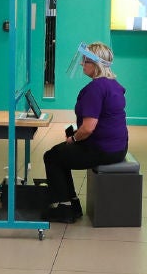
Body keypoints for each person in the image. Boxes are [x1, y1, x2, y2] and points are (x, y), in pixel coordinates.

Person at [43, 41, 128, 224]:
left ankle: (64, 208)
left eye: (85, 61)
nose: (82, 64)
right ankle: (72, 204)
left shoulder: (94, 89)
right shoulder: (113, 84)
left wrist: (73, 138)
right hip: (118, 147)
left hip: (103, 149)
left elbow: (89, 128)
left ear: (95, 64)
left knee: (52, 156)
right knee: (61, 154)